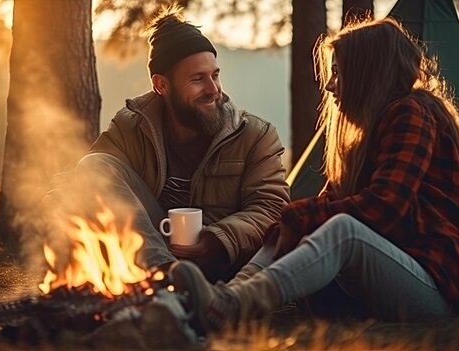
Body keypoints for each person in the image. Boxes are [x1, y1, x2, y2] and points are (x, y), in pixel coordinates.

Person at [169, 17, 459, 333]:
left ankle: (232, 306)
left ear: (367, 73)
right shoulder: (368, 132)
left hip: (435, 283)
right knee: (297, 223)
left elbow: (385, 207)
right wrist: (294, 221)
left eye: (339, 72)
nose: (330, 85)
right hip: (398, 273)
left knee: (342, 229)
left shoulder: (410, 112)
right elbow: (327, 203)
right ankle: (223, 299)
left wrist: (301, 214)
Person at [48, 5, 290, 283]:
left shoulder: (255, 136)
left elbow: (270, 208)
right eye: (198, 79)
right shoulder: (133, 127)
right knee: (94, 165)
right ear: (161, 85)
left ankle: (173, 281)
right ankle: (166, 276)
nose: (213, 89)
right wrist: (53, 210)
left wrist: (214, 239)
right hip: (152, 257)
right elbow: (89, 177)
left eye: (215, 74)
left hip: (220, 264)